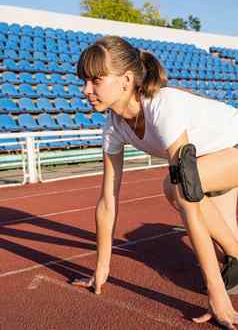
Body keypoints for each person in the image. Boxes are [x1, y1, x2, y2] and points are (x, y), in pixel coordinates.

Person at [72, 35, 238, 329]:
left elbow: (187, 196)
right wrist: (101, 269)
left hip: (230, 151)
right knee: (230, 253)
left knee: (175, 187)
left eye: (95, 80)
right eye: (84, 81)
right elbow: (108, 201)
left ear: (125, 80)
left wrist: (216, 295)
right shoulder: (113, 126)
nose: (86, 90)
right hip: (212, 161)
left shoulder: (162, 107)